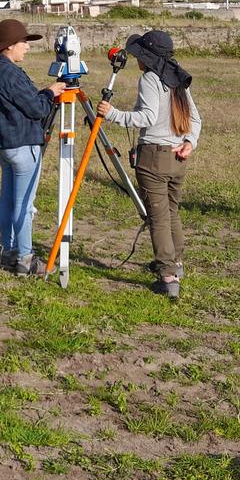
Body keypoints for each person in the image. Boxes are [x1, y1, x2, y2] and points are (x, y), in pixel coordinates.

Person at [96, 30, 200, 299]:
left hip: (154, 157)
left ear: (147, 57)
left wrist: (112, 114)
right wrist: (189, 143)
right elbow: (195, 120)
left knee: (159, 218)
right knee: (171, 212)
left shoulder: (150, 79)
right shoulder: (177, 78)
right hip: (178, 159)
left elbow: (147, 117)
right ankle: (176, 263)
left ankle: (168, 276)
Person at [0, 19, 67, 274]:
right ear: (9, 46)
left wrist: (44, 93)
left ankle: (9, 250)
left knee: (8, 199)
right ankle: (26, 258)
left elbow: (19, 102)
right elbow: (37, 108)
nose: (27, 47)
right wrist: (50, 93)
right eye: (23, 42)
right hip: (20, 144)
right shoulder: (9, 73)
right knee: (24, 204)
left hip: (3, 145)